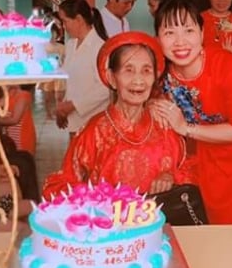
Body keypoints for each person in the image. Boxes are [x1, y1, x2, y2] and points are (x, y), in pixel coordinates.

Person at [154, 0, 232, 223]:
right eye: (169, 32)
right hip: (210, 147)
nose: (180, 41)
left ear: (202, 34)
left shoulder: (227, 66)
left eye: (189, 30)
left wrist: (184, 127)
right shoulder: (163, 75)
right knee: (218, 219)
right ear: (158, 39)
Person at [43, 31, 194, 196]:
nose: (139, 80)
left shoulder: (164, 126)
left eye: (146, 71)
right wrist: (96, 195)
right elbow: (60, 186)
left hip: (160, 220)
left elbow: (190, 169)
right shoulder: (94, 132)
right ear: (112, 78)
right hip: (109, 221)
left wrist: (170, 176)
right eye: (128, 70)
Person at [55, 0, 110, 137]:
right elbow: (72, 82)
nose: (63, 26)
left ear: (79, 19)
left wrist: (73, 106)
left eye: (65, 21)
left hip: (94, 122)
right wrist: (63, 110)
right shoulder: (71, 45)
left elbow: (106, 88)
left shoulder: (100, 48)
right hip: (74, 122)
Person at [0, 85, 37, 155]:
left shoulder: (23, 95)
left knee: (22, 159)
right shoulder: (8, 94)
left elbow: (14, 120)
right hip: (11, 136)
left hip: (22, 136)